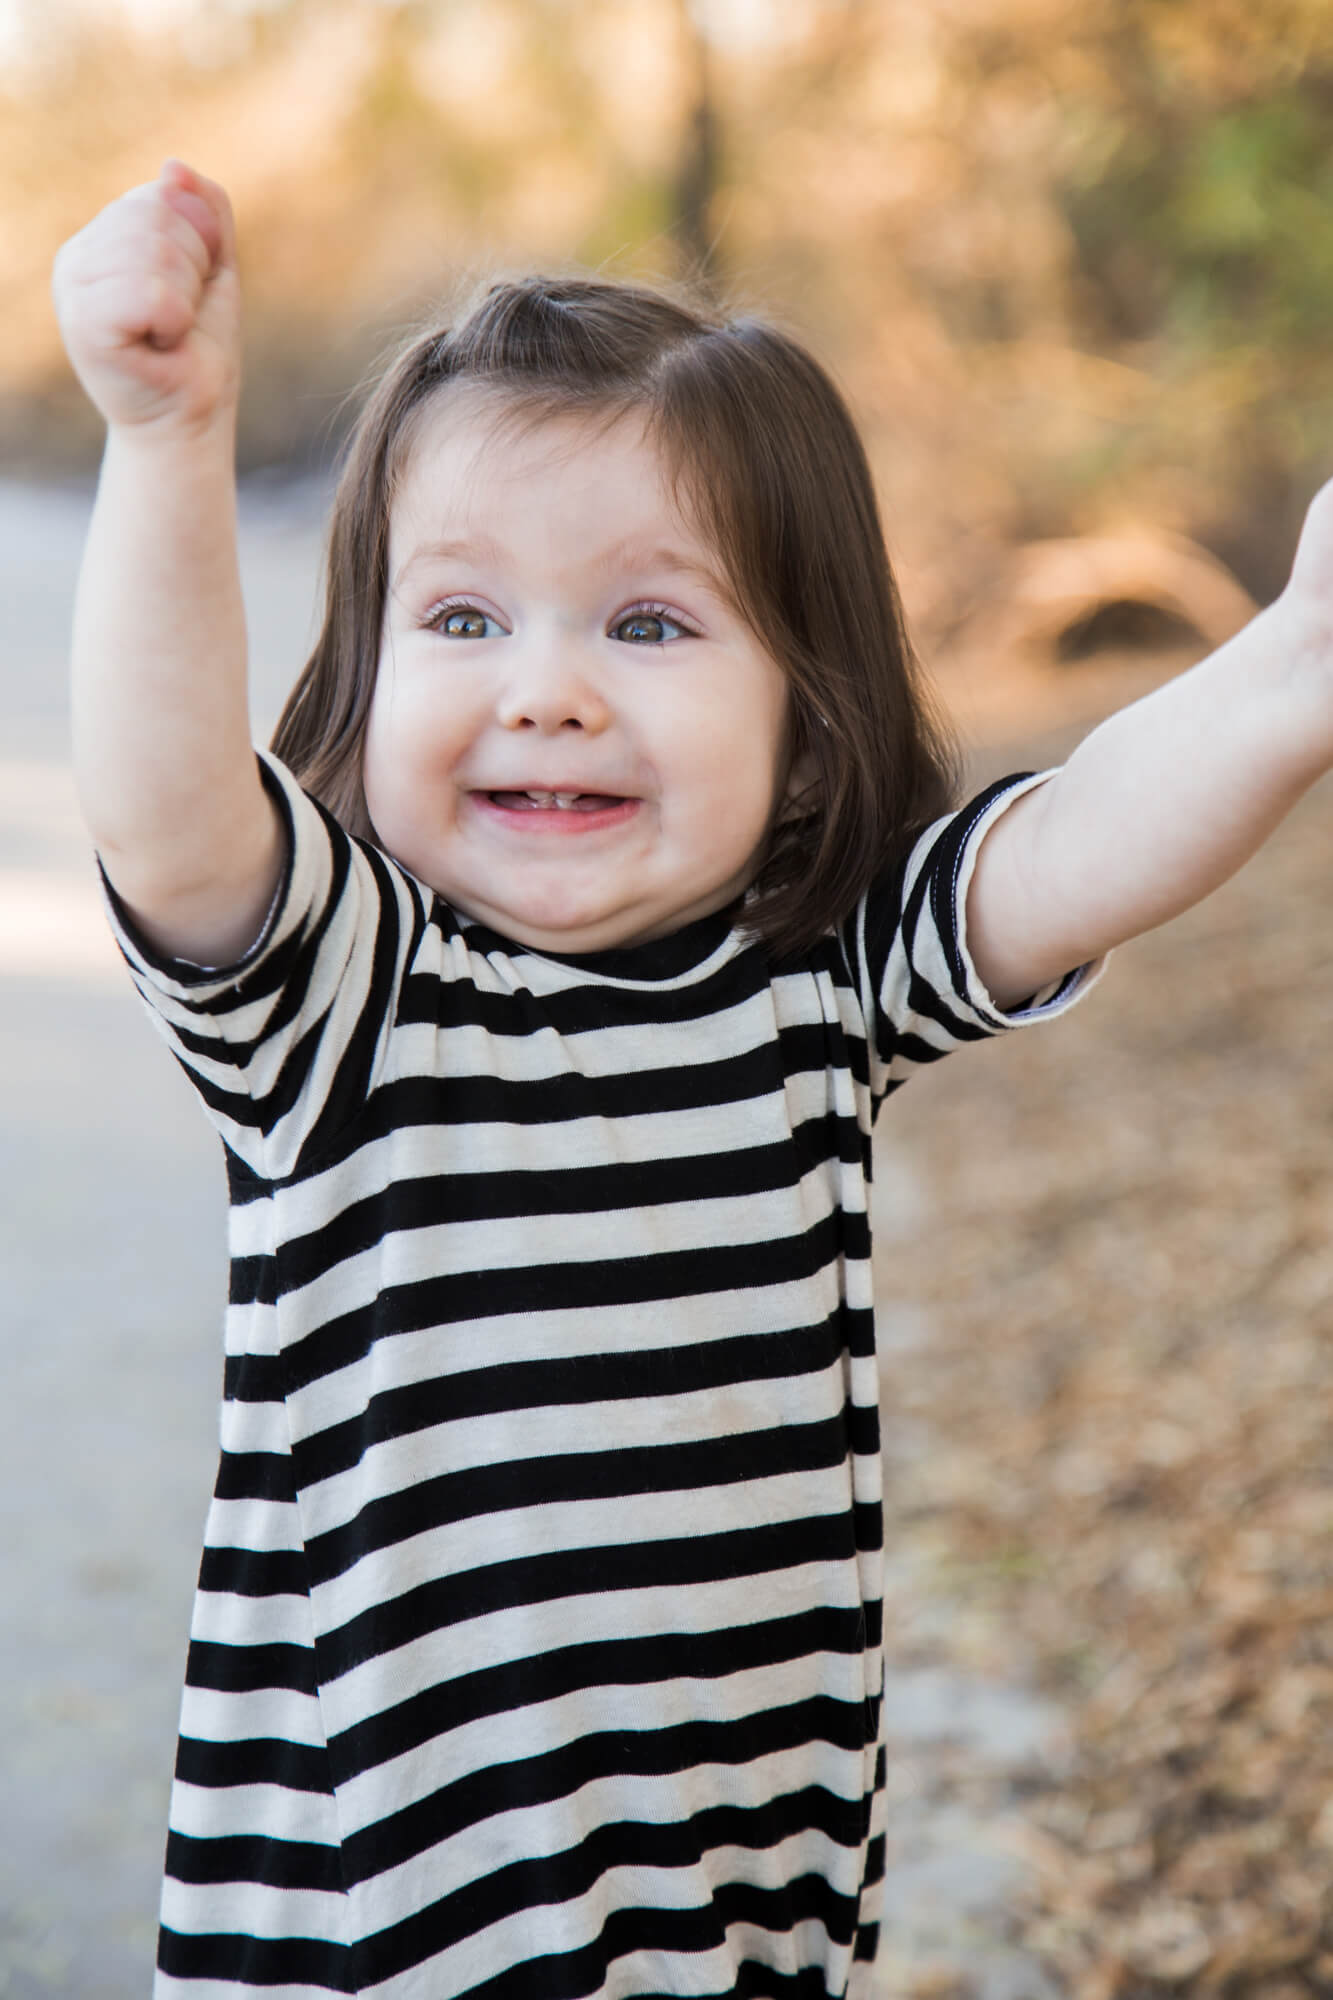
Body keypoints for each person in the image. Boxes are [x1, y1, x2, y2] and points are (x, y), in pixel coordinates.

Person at [51, 157, 1333, 2000]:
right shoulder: (350, 999)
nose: (549, 690)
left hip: (745, 1924)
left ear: (807, 727)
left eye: (646, 625)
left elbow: (1075, 842)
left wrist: (1295, 657)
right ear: (368, 665)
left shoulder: (810, 989)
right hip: (379, 1951)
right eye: (465, 619)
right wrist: (168, 439)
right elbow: (171, 820)